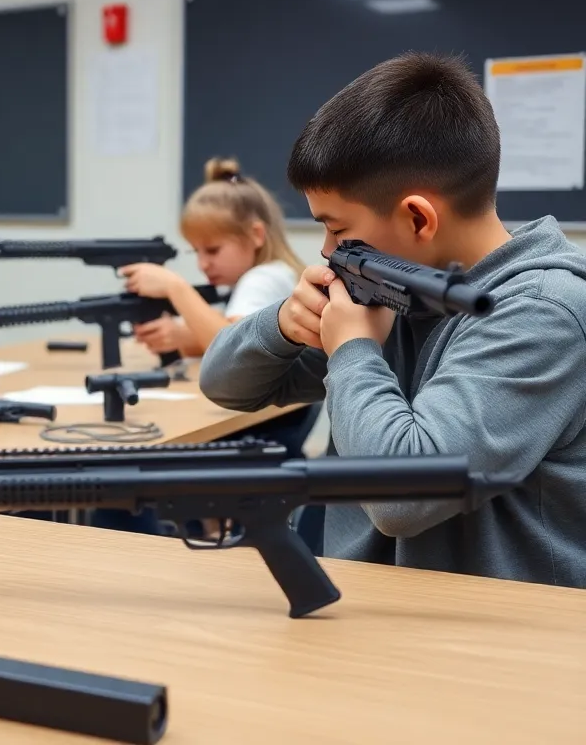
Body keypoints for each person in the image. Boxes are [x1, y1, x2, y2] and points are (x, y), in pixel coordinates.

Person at [199, 52, 586, 588]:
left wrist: (353, 349)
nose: (330, 252)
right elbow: (222, 385)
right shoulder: (394, 285)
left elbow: (402, 496)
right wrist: (284, 324)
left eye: (337, 229)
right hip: (370, 599)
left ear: (417, 217)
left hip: (497, 633)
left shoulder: (544, 310)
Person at [121, 158, 302, 358]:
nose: (202, 265)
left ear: (256, 235)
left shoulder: (263, 279)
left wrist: (175, 288)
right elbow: (235, 339)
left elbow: (232, 355)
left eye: (213, 250)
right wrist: (182, 337)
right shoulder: (271, 273)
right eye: (196, 252)